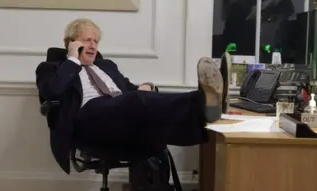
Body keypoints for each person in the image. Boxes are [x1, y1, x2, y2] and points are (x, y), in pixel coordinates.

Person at [36, 18, 228, 174]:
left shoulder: (107, 66)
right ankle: (204, 103)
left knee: (153, 123)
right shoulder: (52, 68)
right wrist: (72, 60)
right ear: (71, 43)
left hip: (120, 112)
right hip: (87, 118)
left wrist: (144, 87)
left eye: (96, 41)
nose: (93, 45)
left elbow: (127, 89)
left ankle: (207, 109)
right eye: (87, 40)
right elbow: (52, 91)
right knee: (135, 101)